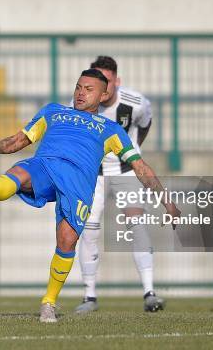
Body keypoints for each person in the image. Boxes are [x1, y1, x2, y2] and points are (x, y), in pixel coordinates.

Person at [0, 68, 180, 323]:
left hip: (77, 184)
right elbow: (21, 139)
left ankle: (48, 303)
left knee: (66, 242)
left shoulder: (111, 129)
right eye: (78, 87)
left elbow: (139, 167)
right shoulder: (53, 111)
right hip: (45, 164)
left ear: (103, 95)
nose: (80, 93)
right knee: (20, 173)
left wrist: (167, 201)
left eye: (88, 89)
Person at [73, 56, 161, 314]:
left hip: (124, 171)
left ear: (116, 81)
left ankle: (149, 292)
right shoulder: (80, 102)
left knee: (137, 223)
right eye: (96, 82)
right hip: (94, 176)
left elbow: (145, 125)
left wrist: (132, 151)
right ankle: (89, 296)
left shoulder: (136, 103)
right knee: (88, 230)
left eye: (107, 81)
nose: (103, 87)